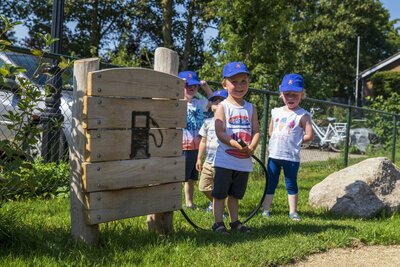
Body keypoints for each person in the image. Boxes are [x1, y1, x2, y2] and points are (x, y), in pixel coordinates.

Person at [212, 62, 260, 233]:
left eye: (244, 81)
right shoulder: (223, 106)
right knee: (220, 193)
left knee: (235, 195)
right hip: (225, 160)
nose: (239, 85)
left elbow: (256, 131)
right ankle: (218, 223)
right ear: (224, 84)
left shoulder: (250, 107)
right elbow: (220, 131)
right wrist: (234, 144)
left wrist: (252, 147)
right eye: (234, 81)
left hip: (243, 161)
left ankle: (234, 222)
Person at [261, 73, 314, 221]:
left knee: (290, 183)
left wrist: (296, 140)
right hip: (274, 155)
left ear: (301, 95)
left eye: (295, 95)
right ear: (281, 94)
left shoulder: (302, 115)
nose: (290, 98)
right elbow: (271, 130)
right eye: (287, 94)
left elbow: (309, 135)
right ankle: (266, 209)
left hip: (291, 157)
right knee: (270, 182)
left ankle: (293, 211)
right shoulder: (276, 111)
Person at [178, 70, 213, 209]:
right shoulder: (178, 103)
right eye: (187, 85)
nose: (192, 88)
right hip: (183, 146)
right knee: (181, 177)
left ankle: (189, 202)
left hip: (197, 148)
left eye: (195, 86)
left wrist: (205, 87)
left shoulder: (199, 103)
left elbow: (214, 99)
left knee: (191, 178)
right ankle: (175, 200)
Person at [195, 89, 228, 212]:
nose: (218, 103)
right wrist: (199, 158)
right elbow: (203, 141)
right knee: (203, 187)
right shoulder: (207, 122)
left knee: (220, 187)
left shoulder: (229, 123)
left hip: (223, 161)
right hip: (208, 161)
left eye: (221, 101)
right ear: (211, 105)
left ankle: (219, 210)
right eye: (215, 101)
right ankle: (216, 203)